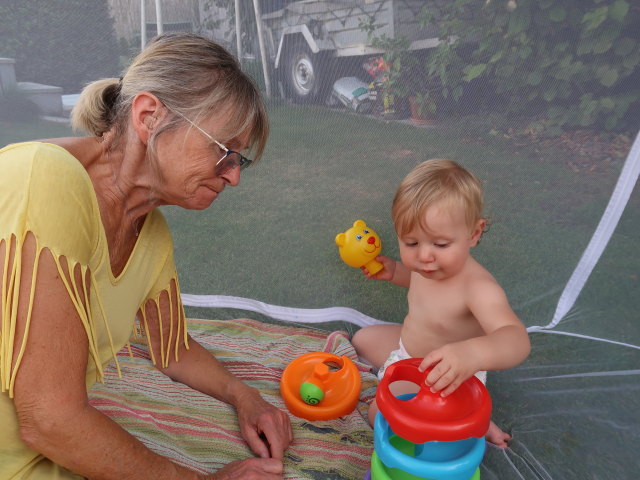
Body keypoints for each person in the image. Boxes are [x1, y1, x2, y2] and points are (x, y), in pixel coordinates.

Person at [0, 33, 292, 479]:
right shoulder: (46, 178)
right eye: (223, 151)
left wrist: (243, 396)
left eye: (239, 159)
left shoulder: (150, 234)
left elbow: (170, 346)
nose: (233, 176)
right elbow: (50, 420)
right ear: (149, 116)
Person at [351, 159, 531, 448]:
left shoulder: (478, 288)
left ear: (474, 234)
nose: (424, 257)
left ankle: (477, 417)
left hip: (448, 378)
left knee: (381, 416)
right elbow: (418, 282)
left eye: (440, 244)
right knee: (361, 339)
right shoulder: (427, 267)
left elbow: (516, 339)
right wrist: (396, 272)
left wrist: (472, 353)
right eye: (411, 243)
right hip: (409, 353)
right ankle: (401, 376)